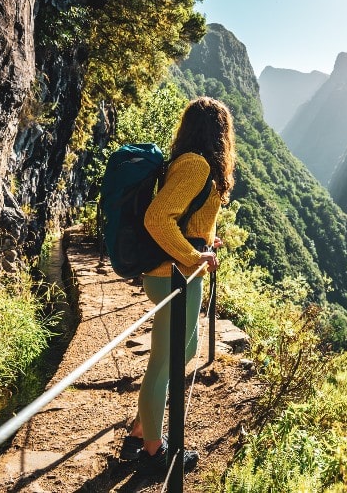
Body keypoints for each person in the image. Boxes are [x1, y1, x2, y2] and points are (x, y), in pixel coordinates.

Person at [119, 96, 236, 474]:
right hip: (173, 276)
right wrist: (191, 256)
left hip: (182, 272)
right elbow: (158, 218)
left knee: (183, 351)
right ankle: (153, 451)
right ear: (220, 133)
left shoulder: (191, 163)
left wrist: (202, 241)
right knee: (166, 360)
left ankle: (140, 429)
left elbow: (184, 218)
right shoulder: (195, 165)